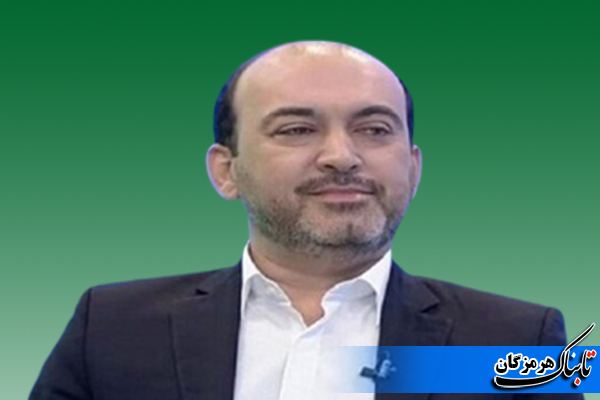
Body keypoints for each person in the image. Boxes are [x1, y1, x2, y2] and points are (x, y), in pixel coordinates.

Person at [30, 41, 580, 400]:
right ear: (226, 171)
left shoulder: (516, 342)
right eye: (296, 130)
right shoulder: (112, 329)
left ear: (413, 169)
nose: (341, 156)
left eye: (374, 129)